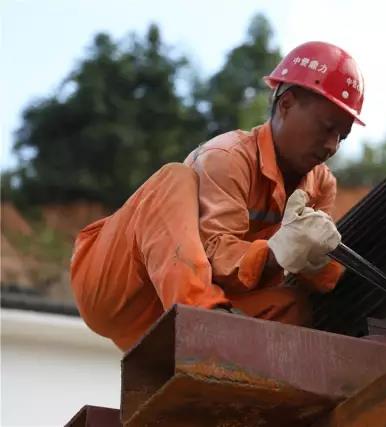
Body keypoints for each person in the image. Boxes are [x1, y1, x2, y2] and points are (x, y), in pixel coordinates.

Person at [70, 41, 366, 351]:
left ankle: (215, 359)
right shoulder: (227, 158)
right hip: (116, 287)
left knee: (292, 307)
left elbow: (288, 277)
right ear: (286, 104)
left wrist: (319, 266)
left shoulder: (321, 185)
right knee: (173, 177)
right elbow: (214, 254)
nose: (332, 145)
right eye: (326, 128)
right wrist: (275, 253)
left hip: (166, 315)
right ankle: (205, 322)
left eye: (342, 137)